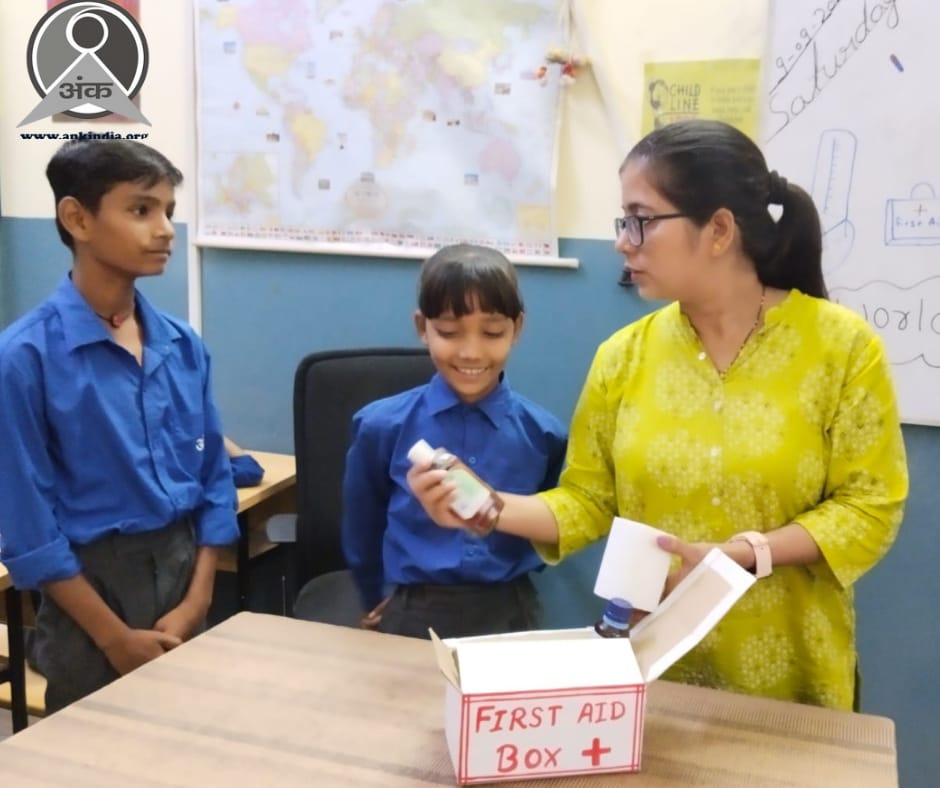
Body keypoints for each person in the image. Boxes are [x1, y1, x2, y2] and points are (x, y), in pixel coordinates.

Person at [408, 119, 908, 710]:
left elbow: (869, 506)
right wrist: (491, 507)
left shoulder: (842, 347)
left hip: (790, 679)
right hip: (654, 672)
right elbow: (589, 500)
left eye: (640, 219)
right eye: (623, 221)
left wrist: (747, 554)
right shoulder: (623, 356)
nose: (623, 241)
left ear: (718, 230)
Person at [0, 139, 239, 713]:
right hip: (89, 594)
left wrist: (198, 599)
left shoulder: (181, 344)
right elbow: (28, 525)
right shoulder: (25, 358)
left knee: (192, 735)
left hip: (182, 573)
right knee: (95, 747)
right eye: (140, 209)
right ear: (77, 219)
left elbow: (213, 477)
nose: (165, 230)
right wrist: (114, 639)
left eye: (169, 212)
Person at [342, 243, 568, 639]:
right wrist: (372, 594)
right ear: (422, 327)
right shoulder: (381, 426)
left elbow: (549, 520)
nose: (471, 352)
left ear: (516, 328)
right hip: (413, 607)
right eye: (448, 332)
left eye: (492, 332)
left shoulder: (544, 433)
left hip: (511, 609)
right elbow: (362, 525)